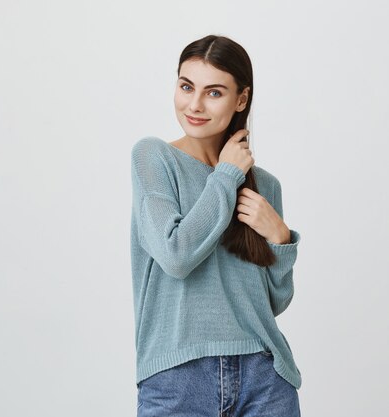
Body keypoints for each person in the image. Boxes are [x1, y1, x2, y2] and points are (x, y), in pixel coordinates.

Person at [130, 34, 302, 416]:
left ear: (241, 99)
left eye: (214, 93)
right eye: (186, 86)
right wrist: (225, 175)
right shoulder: (154, 158)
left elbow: (273, 302)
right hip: (177, 378)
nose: (194, 105)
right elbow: (175, 255)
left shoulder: (265, 185)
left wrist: (281, 238)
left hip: (264, 379)